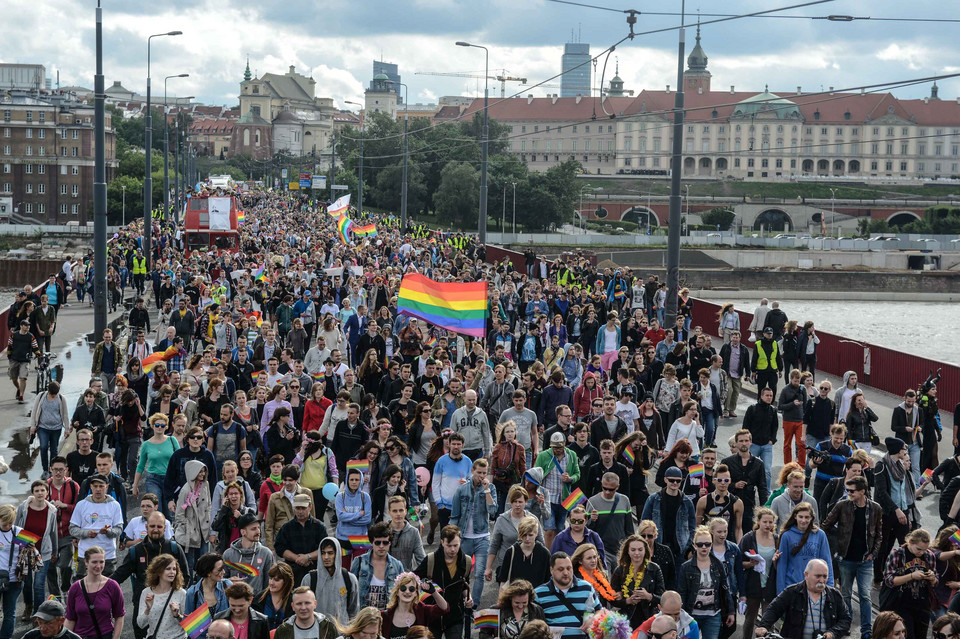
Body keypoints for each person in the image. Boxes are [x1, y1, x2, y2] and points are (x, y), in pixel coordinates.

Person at [820, 475, 881, 639]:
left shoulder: (875, 508)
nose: (848, 493)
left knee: (865, 595)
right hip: (845, 559)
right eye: (847, 490)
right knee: (845, 594)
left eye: (852, 491)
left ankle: (867, 631)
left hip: (865, 561)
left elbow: (879, 535)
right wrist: (834, 546)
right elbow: (825, 526)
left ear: (862, 491)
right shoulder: (842, 506)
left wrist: (873, 554)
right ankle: (845, 624)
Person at [756, 559, 850, 639]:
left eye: (824, 576)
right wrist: (764, 626)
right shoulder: (792, 592)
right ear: (806, 575)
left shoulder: (835, 595)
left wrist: (832, 633)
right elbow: (774, 609)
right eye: (818, 576)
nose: (822, 580)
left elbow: (845, 619)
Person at [450, 458, 497, 605]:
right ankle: (463, 600)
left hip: (482, 536)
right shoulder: (462, 489)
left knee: (479, 574)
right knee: (462, 574)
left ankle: (474, 604)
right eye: (479, 472)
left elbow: (493, 511)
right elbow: (455, 515)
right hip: (464, 537)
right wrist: (451, 536)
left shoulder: (491, 488)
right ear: (472, 471)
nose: (481, 476)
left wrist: (487, 490)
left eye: (484, 473)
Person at [874, 437, 918, 584]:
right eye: (903, 448)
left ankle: (907, 574)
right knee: (883, 545)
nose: (905, 451)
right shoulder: (882, 465)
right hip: (887, 512)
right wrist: (896, 510)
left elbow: (902, 491)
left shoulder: (900, 465)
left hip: (902, 510)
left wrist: (906, 513)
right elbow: (881, 492)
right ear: (898, 450)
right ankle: (879, 576)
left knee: (907, 544)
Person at [677, 526, 734, 639]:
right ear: (694, 545)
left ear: (711, 544)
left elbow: (725, 589)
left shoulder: (718, 565)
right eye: (700, 544)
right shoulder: (686, 567)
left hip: (713, 615)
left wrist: (731, 611)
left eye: (707, 544)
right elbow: (681, 592)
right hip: (691, 615)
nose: (704, 547)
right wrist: (680, 614)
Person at [881, 528, 937, 639]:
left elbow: (936, 582)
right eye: (919, 549)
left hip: (922, 604)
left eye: (925, 550)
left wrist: (932, 577)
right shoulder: (897, 554)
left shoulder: (930, 555)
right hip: (901, 603)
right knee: (908, 635)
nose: (921, 553)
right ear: (910, 542)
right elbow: (889, 580)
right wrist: (911, 576)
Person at [641, 467, 695, 581]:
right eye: (671, 480)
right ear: (665, 480)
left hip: (680, 549)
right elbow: (644, 524)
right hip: (658, 546)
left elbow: (692, 527)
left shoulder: (687, 502)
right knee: (657, 581)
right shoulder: (653, 499)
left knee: (677, 582)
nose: (675, 483)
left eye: (678, 481)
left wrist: (688, 546)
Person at [533, 552, 602, 639]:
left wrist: (593, 619)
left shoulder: (586, 587)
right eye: (561, 569)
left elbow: (600, 611)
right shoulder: (538, 593)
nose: (566, 572)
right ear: (551, 570)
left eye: (569, 568)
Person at [15, 480, 58, 619]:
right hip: (25, 550)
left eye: (42, 490)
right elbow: (15, 528)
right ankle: (28, 606)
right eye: (37, 491)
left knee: (39, 585)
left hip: (43, 552)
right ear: (33, 493)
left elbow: (53, 532)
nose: (40, 493)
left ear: (47, 492)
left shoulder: (52, 510)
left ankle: (38, 614)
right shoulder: (24, 507)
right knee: (27, 583)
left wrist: (55, 551)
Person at [69, 474, 124, 576]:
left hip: (107, 555)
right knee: (83, 586)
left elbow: (119, 528)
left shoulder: (114, 505)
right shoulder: (81, 505)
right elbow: (72, 529)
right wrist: (86, 533)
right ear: (91, 487)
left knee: (108, 587)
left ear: (106, 486)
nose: (98, 489)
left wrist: (109, 532)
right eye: (95, 486)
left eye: (101, 486)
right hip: (85, 554)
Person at [64, 546, 125, 639]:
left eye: (101, 562)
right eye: (94, 562)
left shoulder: (112, 586)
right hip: (80, 636)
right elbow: (70, 619)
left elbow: (119, 616)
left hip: (104, 635)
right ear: (86, 562)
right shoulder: (75, 588)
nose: (98, 566)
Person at [738, 507, 778, 639]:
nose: (768, 525)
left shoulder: (777, 539)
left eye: (770, 522)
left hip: (770, 585)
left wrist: (775, 562)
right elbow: (738, 562)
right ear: (758, 521)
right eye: (765, 522)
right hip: (753, 585)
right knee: (750, 619)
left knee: (769, 620)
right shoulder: (749, 538)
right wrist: (750, 564)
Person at [776, 502, 833, 593]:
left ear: (811, 518)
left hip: (814, 586)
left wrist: (830, 587)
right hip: (792, 585)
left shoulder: (820, 535)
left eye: (807, 517)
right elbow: (782, 565)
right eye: (801, 517)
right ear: (795, 517)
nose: (803, 520)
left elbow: (827, 562)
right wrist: (780, 591)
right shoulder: (787, 536)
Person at [610, 535, 665, 628]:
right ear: (628, 551)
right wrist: (627, 601)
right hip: (626, 620)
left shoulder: (654, 569)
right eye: (633, 550)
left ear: (645, 551)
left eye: (640, 550)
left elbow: (662, 598)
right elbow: (611, 598)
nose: (636, 553)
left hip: (648, 618)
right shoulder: (620, 570)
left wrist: (648, 596)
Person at [349, 521, 404, 611]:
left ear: (390, 543)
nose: (381, 546)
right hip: (363, 617)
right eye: (378, 543)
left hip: (387, 618)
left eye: (385, 543)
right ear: (371, 543)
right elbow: (351, 591)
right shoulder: (359, 562)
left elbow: (402, 594)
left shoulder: (397, 565)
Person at [274, 494, 328, 586]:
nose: (300, 511)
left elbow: (325, 548)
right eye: (297, 508)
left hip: (315, 570)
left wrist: (308, 557)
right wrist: (297, 558)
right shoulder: (286, 527)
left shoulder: (319, 526)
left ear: (310, 507)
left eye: (303, 508)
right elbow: (279, 548)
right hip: (293, 571)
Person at [586, 472, 635, 570]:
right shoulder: (592, 502)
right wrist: (592, 520)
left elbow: (629, 528)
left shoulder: (624, 500)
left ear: (617, 487)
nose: (607, 492)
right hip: (601, 550)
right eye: (604, 488)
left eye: (611, 489)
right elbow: (586, 531)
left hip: (621, 550)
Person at [303, 538, 358, 626]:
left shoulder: (349, 579)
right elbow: (302, 609)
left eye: (330, 553)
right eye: (323, 553)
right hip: (317, 632)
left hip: (342, 633)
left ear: (337, 553)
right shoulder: (309, 579)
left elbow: (354, 611)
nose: (326, 557)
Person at [721, 429, 769, 531]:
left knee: (748, 534)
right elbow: (719, 483)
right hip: (730, 504)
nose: (744, 444)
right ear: (736, 443)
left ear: (750, 442)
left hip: (749, 505)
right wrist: (734, 485)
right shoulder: (727, 462)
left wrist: (764, 509)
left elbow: (762, 488)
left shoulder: (758, 463)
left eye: (746, 441)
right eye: (741, 441)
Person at [46, 456, 80, 598]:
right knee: (50, 568)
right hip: (50, 535)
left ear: (66, 470)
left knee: (65, 566)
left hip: (67, 533)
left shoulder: (73, 485)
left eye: (61, 470)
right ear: (50, 470)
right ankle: (55, 598)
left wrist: (65, 506)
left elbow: (80, 509)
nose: (58, 473)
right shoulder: (45, 487)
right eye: (55, 470)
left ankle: (66, 588)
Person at [381, 572, 449, 639]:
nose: (407, 592)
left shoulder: (422, 610)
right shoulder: (385, 615)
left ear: (416, 593)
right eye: (403, 588)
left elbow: (444, 608)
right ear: (397, 592)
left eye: (411, 589)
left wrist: (434, 592)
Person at [265, 465, 317, 551]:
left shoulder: (307, 493)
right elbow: (269, 525)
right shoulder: (274, 497)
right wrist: (270, 547)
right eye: (285, 480)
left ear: (296, 480)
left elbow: (312, 518)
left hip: (303, 540)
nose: (287, 483)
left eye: (290, 480)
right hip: (283, 541)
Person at [136, 554, 187, 639]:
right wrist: (148, 609)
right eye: (168, 569)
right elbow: (141, 624)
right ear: (159, 571)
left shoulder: (181, 593)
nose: (172, 572)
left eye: (174, 569)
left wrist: (177, 615)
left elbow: (189, 624)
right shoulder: (146, 592)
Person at [30, 381, 71, 479]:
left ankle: (51, 469)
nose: (53, 397)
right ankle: (45, 470)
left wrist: (67, 428)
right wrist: (33, 426)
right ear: (48, 391)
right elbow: (34, 411)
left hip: (56, 428)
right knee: (43, 447)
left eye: (55, 395)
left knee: (54, 450)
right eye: (52, 395)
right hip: (43, 427)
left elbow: (65, 414)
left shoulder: (61, 399)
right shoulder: (41, 397)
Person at [496, 517, 551, 588]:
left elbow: (549, 581)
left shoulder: (544, 553)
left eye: (530, 535)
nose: (527, 539)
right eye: (524, 535)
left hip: (538, 597)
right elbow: (503, 580)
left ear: (536, 533)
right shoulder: (511, 552)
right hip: (515, 596)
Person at [742, 387, 778, 493]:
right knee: (749, 469)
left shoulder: (773, 410)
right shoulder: (752, 408)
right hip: (753, 445)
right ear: (761, 396)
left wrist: (772, 440)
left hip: (767, 445)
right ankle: (747, 490)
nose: (769, 397)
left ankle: (766, 492)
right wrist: (748, 441)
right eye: (767, 395)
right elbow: (745, 426)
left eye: (771, 396)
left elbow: (775, 427)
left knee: (767, 470)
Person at [335, 468, 372, 566]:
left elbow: (367, 519)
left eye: (357, 480)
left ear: (361, 481)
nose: (354, 482)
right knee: (344, 568)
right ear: (347, 480)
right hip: (343, 538)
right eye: (351, 479)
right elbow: (340, 517)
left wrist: (347, 518)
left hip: (360, 538)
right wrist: (359, 514)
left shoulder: (365, 497)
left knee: (360, 569)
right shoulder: (340, 496)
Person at [695, 464, 743, 541]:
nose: (723, 483)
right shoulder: (703, 501)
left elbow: (738, 528)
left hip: (728, 543)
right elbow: (697, 526)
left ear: (730, 481)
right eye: (719, 480)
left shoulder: (737, 503)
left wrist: (739, 546)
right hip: (708, 543)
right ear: (714, 480)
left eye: (726, 480)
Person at [272, 587, 338, 639]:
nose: (303, 608)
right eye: (299, 604)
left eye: (307, 603)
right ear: (293, 606)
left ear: (315, 604)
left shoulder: (328, 628)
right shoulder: (282, 631)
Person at [384, 496, 425, 571]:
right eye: (395, 511)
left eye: (401, 510)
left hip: (406, 577)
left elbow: (421, 558)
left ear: (406, 511)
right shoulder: (382, 531)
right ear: (389, 512)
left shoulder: (414, 532)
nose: (398, 514)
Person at [7, 319, 42, 403]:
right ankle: (18, 388)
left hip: (25, 360)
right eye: (26, 325)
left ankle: (21, 395)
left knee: (23, 378)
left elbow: (35, 347)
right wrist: (9, 355)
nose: (28, 327)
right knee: (14, 378)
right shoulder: (13, 335)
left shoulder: (31, 336)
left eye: (28, 325)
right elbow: (9, 345)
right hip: (14, 359)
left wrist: (38, 354)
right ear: (21, 326)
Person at [252, 562, 294, 630]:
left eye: (276, 580)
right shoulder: (259, 599)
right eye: (270, 578)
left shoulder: (294, 600)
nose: (271, 583)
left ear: (286, 581)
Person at [778, 370, 806, 467]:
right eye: (795, 381)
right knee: (787, 444)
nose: (797, 383)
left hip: (800, 420)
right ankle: (788, 465)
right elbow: (780, 406)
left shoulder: (802, 389)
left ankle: (802, 465)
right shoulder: (785, 390)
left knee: (801, 444)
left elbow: (805, 404)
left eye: (798, 381)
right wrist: (792, 404)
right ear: (791, 379)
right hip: (788, 420)